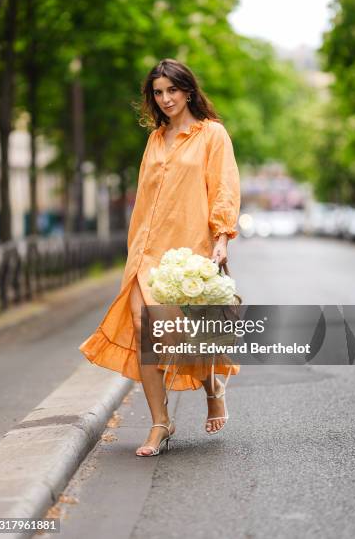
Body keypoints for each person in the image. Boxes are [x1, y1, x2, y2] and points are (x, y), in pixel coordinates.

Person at [79, 58, 241, 456]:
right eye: (158, 92)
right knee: (142, 328)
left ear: (188, 90)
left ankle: (212, 388)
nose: (166, 99)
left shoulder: (212, 135)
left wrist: (221, 238)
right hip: (146, 252)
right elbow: (146, 199)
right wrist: (135, 251)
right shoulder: (154, 139)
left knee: (186, 333)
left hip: (189, 248)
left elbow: (224, 187)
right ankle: (159, 423)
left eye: (173, 90)